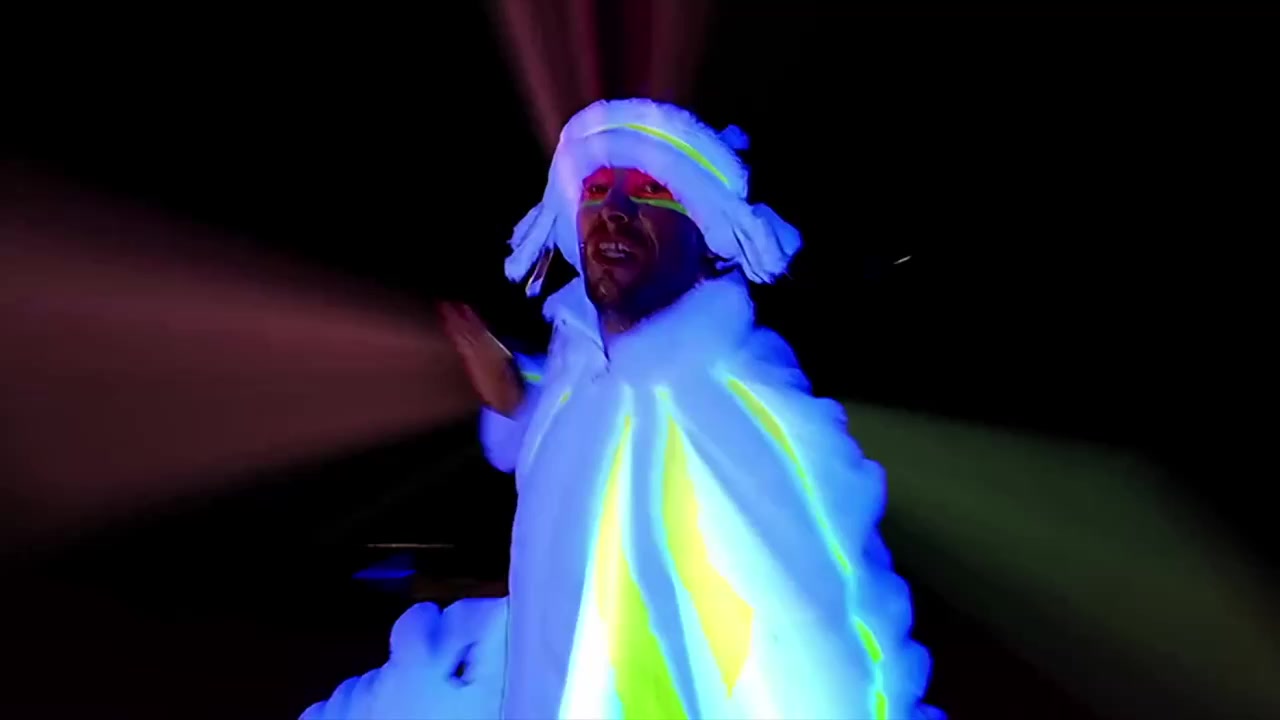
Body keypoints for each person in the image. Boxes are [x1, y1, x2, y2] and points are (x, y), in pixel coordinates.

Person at [303, 98, 939, 720]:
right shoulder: (584, 375)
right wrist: (518, 402)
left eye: (651, 191)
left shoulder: (735, 408)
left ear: (705, 234)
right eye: (596, 190)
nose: (613, 211)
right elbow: (597, 459)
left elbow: (826, 654)